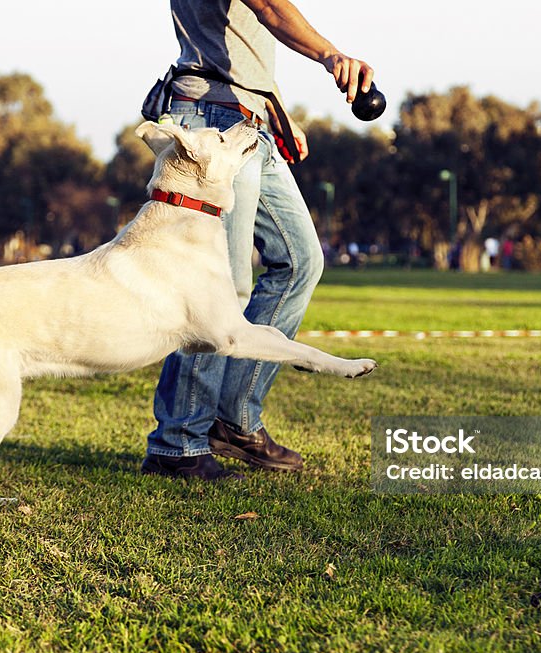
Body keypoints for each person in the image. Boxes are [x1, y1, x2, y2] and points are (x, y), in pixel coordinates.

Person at [140, 0, 376, 480]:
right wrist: (330, 55)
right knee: (218, 290)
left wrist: (274, 111)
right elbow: (268, 6)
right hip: (212, 121)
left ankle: (234, 420)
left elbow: (240, 43)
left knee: (300, 261)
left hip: (248, 120)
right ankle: (178, 443)